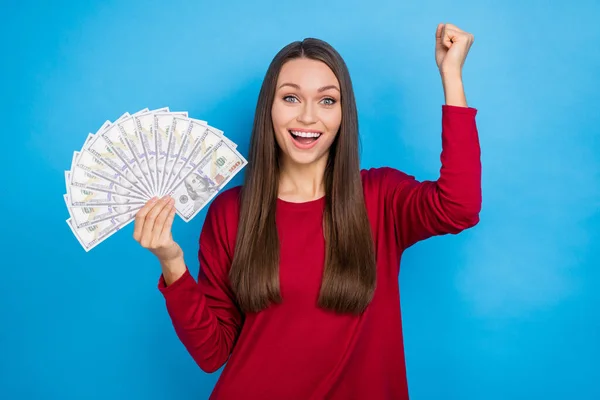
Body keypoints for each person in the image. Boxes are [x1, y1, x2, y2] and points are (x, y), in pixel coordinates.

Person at [133, 22, 480, 400]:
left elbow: (459, 206)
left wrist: (451, 76)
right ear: (270, 108)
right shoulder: (231, 213)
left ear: (344, 114)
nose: (308, 117)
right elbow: (212, 352)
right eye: (291, 98)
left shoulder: (381, 197)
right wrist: (172, 263)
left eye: (327, 100)